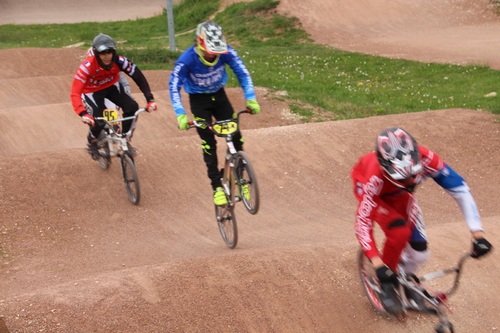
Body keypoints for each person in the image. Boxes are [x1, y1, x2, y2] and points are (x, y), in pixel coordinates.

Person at [351, 127, 492, 314]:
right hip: (377, 194)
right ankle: (386, 284)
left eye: (412, 174)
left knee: (420, 253)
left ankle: (405, 277)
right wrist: (378, 265)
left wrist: (477, 233)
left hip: (401, 195)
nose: (410, 180)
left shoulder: (427, 159)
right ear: (386, 168)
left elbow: (460, 190)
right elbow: (363, 225)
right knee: (399, 231)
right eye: (403, 177)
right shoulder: (373, 179)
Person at [169, 20, 261, 205]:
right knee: (208, 144)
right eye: (211, 50)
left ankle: (240, 178)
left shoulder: (226, 51)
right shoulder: (186, 60)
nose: (214, 55)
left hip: (219, 96)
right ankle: (216, 186)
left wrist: (250, 98)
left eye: (217, 51)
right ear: (200, 43)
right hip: (198, 101)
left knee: (235, 136)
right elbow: (173, 86)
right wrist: (180, 114)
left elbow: (242, 72)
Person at [70, 33, 158, 159]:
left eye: (109, 53)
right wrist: (82, 113)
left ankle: (125, 140)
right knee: (98, 120)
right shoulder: (87, 67)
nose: (107, 57)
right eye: (103, 53)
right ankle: (93, 140)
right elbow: (75, 92)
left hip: (112, 87)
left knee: (132, 107)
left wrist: (150, 99)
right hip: (91, 92)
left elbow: (139, 77)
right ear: (96, 54)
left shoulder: (120, 61)